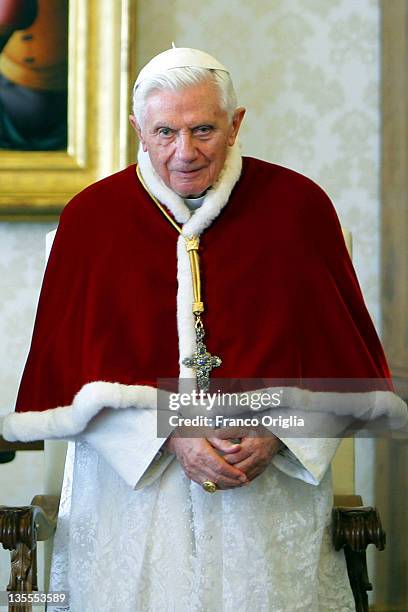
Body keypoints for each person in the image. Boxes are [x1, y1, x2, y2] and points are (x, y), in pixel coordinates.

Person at [2, 47, 406, 611]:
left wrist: (279, 433)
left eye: (203, 130)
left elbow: (345, 369)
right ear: (137, 129)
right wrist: (169, 435)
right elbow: (68, 380)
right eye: (164, 131)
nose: (184, 153)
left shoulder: (298, 209)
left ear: (237, 123)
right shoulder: (92, 220)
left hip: (266, 496)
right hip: (131, 496)